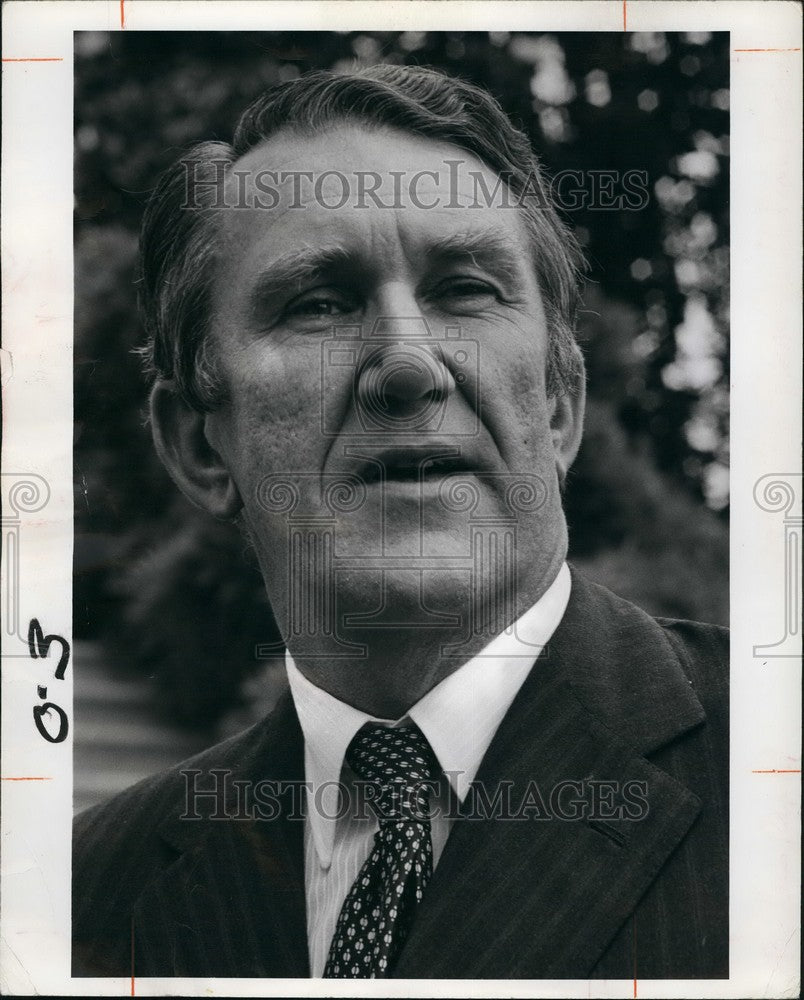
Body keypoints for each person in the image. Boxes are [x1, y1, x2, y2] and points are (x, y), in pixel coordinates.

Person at [72, 64, 728, 980]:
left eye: (465, 289)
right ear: (199, 447)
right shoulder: (81, 898)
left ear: (558, 408)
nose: (410, 364)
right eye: (320, 304)